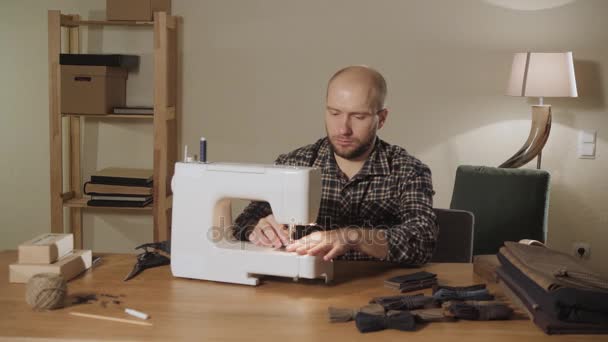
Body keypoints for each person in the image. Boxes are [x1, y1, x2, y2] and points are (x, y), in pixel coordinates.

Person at [233, 65, 437, 265]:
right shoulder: (293, 164)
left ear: (381, 119)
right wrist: (257, 229)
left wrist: (352, 237)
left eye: (358, 117)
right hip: (301, 291)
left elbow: (422, 240)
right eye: (334, 113)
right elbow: (242, 224)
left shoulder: (408, 171)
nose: (343, 129)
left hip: (375, 291)